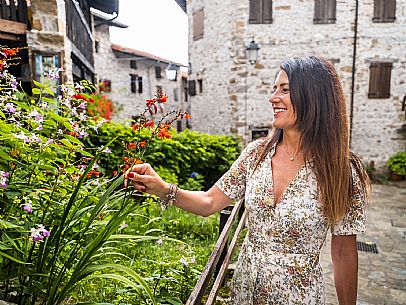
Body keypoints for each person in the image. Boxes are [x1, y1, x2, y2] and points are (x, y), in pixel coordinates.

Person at [124, 56, 370, 305]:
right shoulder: (256, 154)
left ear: (314, 96)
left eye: (285, 90)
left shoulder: (341, 170)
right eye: (274, 89)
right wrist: (163, 189)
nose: (273, 98)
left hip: (299, 298)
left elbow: (343, 252)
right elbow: (210, 202)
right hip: (246, 292)